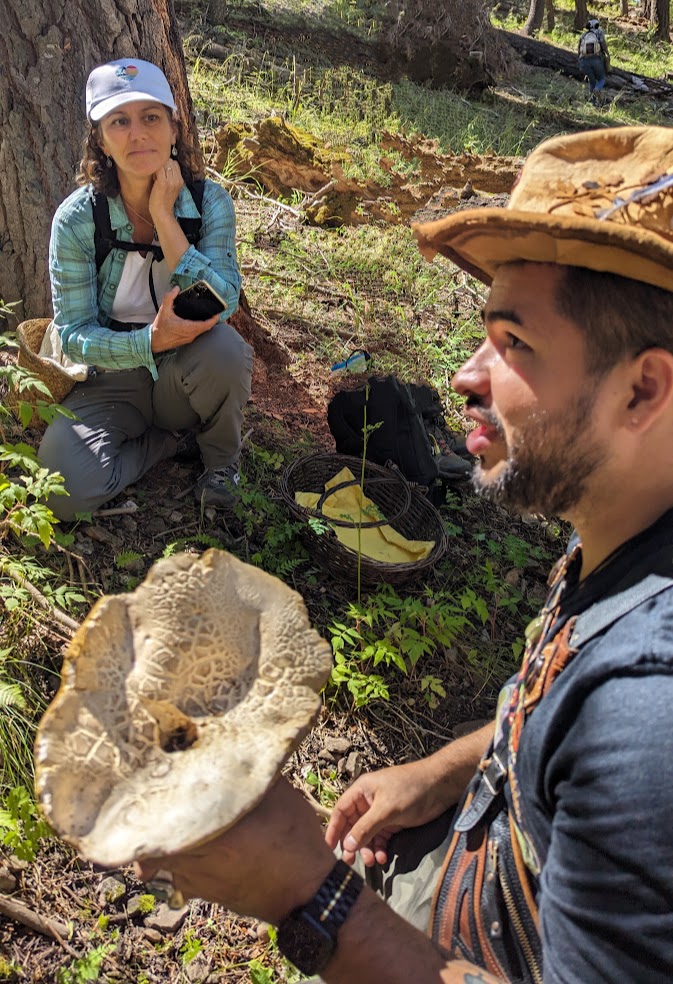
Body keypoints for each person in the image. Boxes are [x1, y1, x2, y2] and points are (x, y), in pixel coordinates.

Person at [136, 124, 673, 983]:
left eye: (514, 343)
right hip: (478, 868)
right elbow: (553, 716)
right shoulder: (624, 523)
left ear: (642, 389)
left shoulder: (648, 717)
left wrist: (309, 897)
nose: (464, 375)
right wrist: (445, 770)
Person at [38, 59, 253, 520]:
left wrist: (164, 217)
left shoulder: (210, 202)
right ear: (101, 139)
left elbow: (226, 299)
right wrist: (149, 340)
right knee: (60, 489)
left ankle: (220, 465)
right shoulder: (78, 219)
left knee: (227, 352)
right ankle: (167, 444)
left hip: (183, 368)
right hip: (109, 379)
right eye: (119, 121)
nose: (137, 134)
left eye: (151, 117)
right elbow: (73, 334)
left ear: (174, 128)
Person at [578, 16, 610, 105]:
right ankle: (597, 89)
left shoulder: (584, 35)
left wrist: (580, 61)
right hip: (596, 59)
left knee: (592, 81)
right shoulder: (599, 32)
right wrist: (607, 54)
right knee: (601, 79)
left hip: (584, 61)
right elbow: (603, 43)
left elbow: (579, 48)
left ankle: (593, 102)